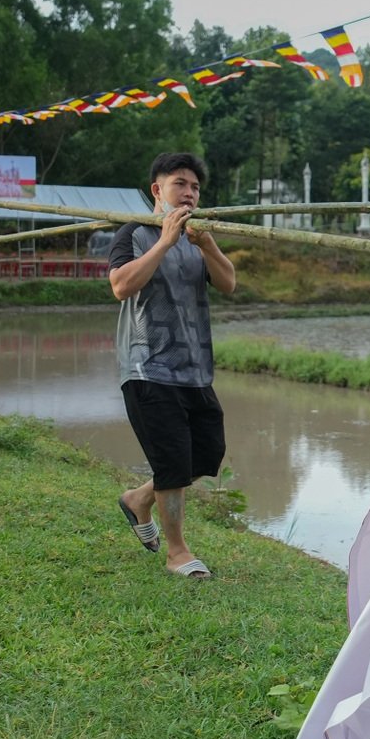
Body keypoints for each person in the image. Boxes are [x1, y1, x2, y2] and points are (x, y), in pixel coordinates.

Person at [108, 152, 237, 578]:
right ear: (156, 190)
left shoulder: (199, 241)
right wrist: (164, 241)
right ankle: (177, 553)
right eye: (180, 183)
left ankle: (139, 498)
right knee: (172, 461)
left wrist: (207, 243)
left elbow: (229, 283)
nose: (189, 193)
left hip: (195, 368)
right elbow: (122, 286)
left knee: (206, 453)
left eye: (195, 187)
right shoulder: (134, 233)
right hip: (147, 366)